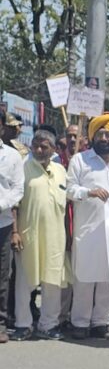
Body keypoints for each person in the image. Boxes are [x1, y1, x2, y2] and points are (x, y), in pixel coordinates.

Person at [66, 114, 109, 340]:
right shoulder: (80, 160)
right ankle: (80, 323)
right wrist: (89, 192)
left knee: (108, 280)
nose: (104, 138)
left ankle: (101, 322)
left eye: (108, 134)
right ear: (92, 136)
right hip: (87, 231)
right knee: (84, 279)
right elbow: (69, 190)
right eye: (100, 134)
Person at [9, 130, 66, 340]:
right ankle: (23, 324)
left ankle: (48, 325)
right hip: (28, 235)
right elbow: (14, 204)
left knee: (52, 282)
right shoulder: (23, 168)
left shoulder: (61, 170)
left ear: (53, 149)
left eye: (44, 146)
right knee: (24, 283)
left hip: (55, 238)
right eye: (36, 146)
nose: (39, 150)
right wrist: (15, 232)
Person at [0, 127, 26, 343]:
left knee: (2, 275)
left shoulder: (12, 156)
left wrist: (1, 205)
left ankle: (0, 323)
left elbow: (18, 189)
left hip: (3, 223)